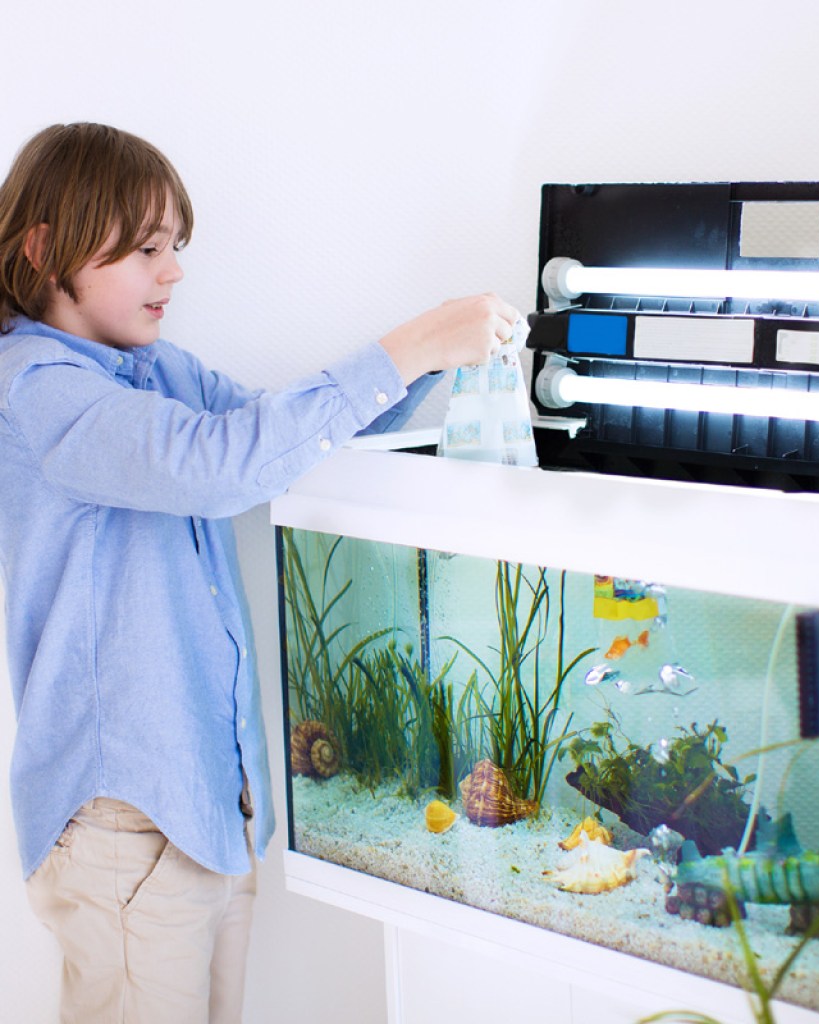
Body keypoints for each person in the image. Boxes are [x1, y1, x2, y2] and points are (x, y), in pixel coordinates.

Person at [0, 122, 520, 1023]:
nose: (173, 272)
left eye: (177, 248)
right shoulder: (38, 385)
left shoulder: (157, 371)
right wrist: (413, 341)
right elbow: (217, 466)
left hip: (206, 805)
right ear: (47, 249)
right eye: (146, 249)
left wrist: (426, 364)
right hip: (125, 820)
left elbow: (283, 442)